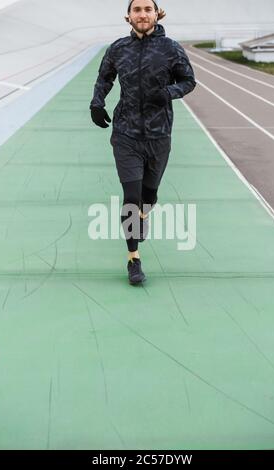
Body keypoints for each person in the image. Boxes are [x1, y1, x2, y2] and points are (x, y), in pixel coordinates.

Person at [90, 0, 196, 285]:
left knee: (148, 197)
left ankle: (145, 212)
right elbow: (104, 78)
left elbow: (189, 81)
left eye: (147, 9)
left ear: (156, 14)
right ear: (129, 16)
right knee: (131, 198)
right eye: (137, 10)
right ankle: (133, 258)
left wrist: (169, 92)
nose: (142, 14)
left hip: (159, 135)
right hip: (126, 135)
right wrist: (97, 103)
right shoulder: (118, 49)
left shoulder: (171, 48)